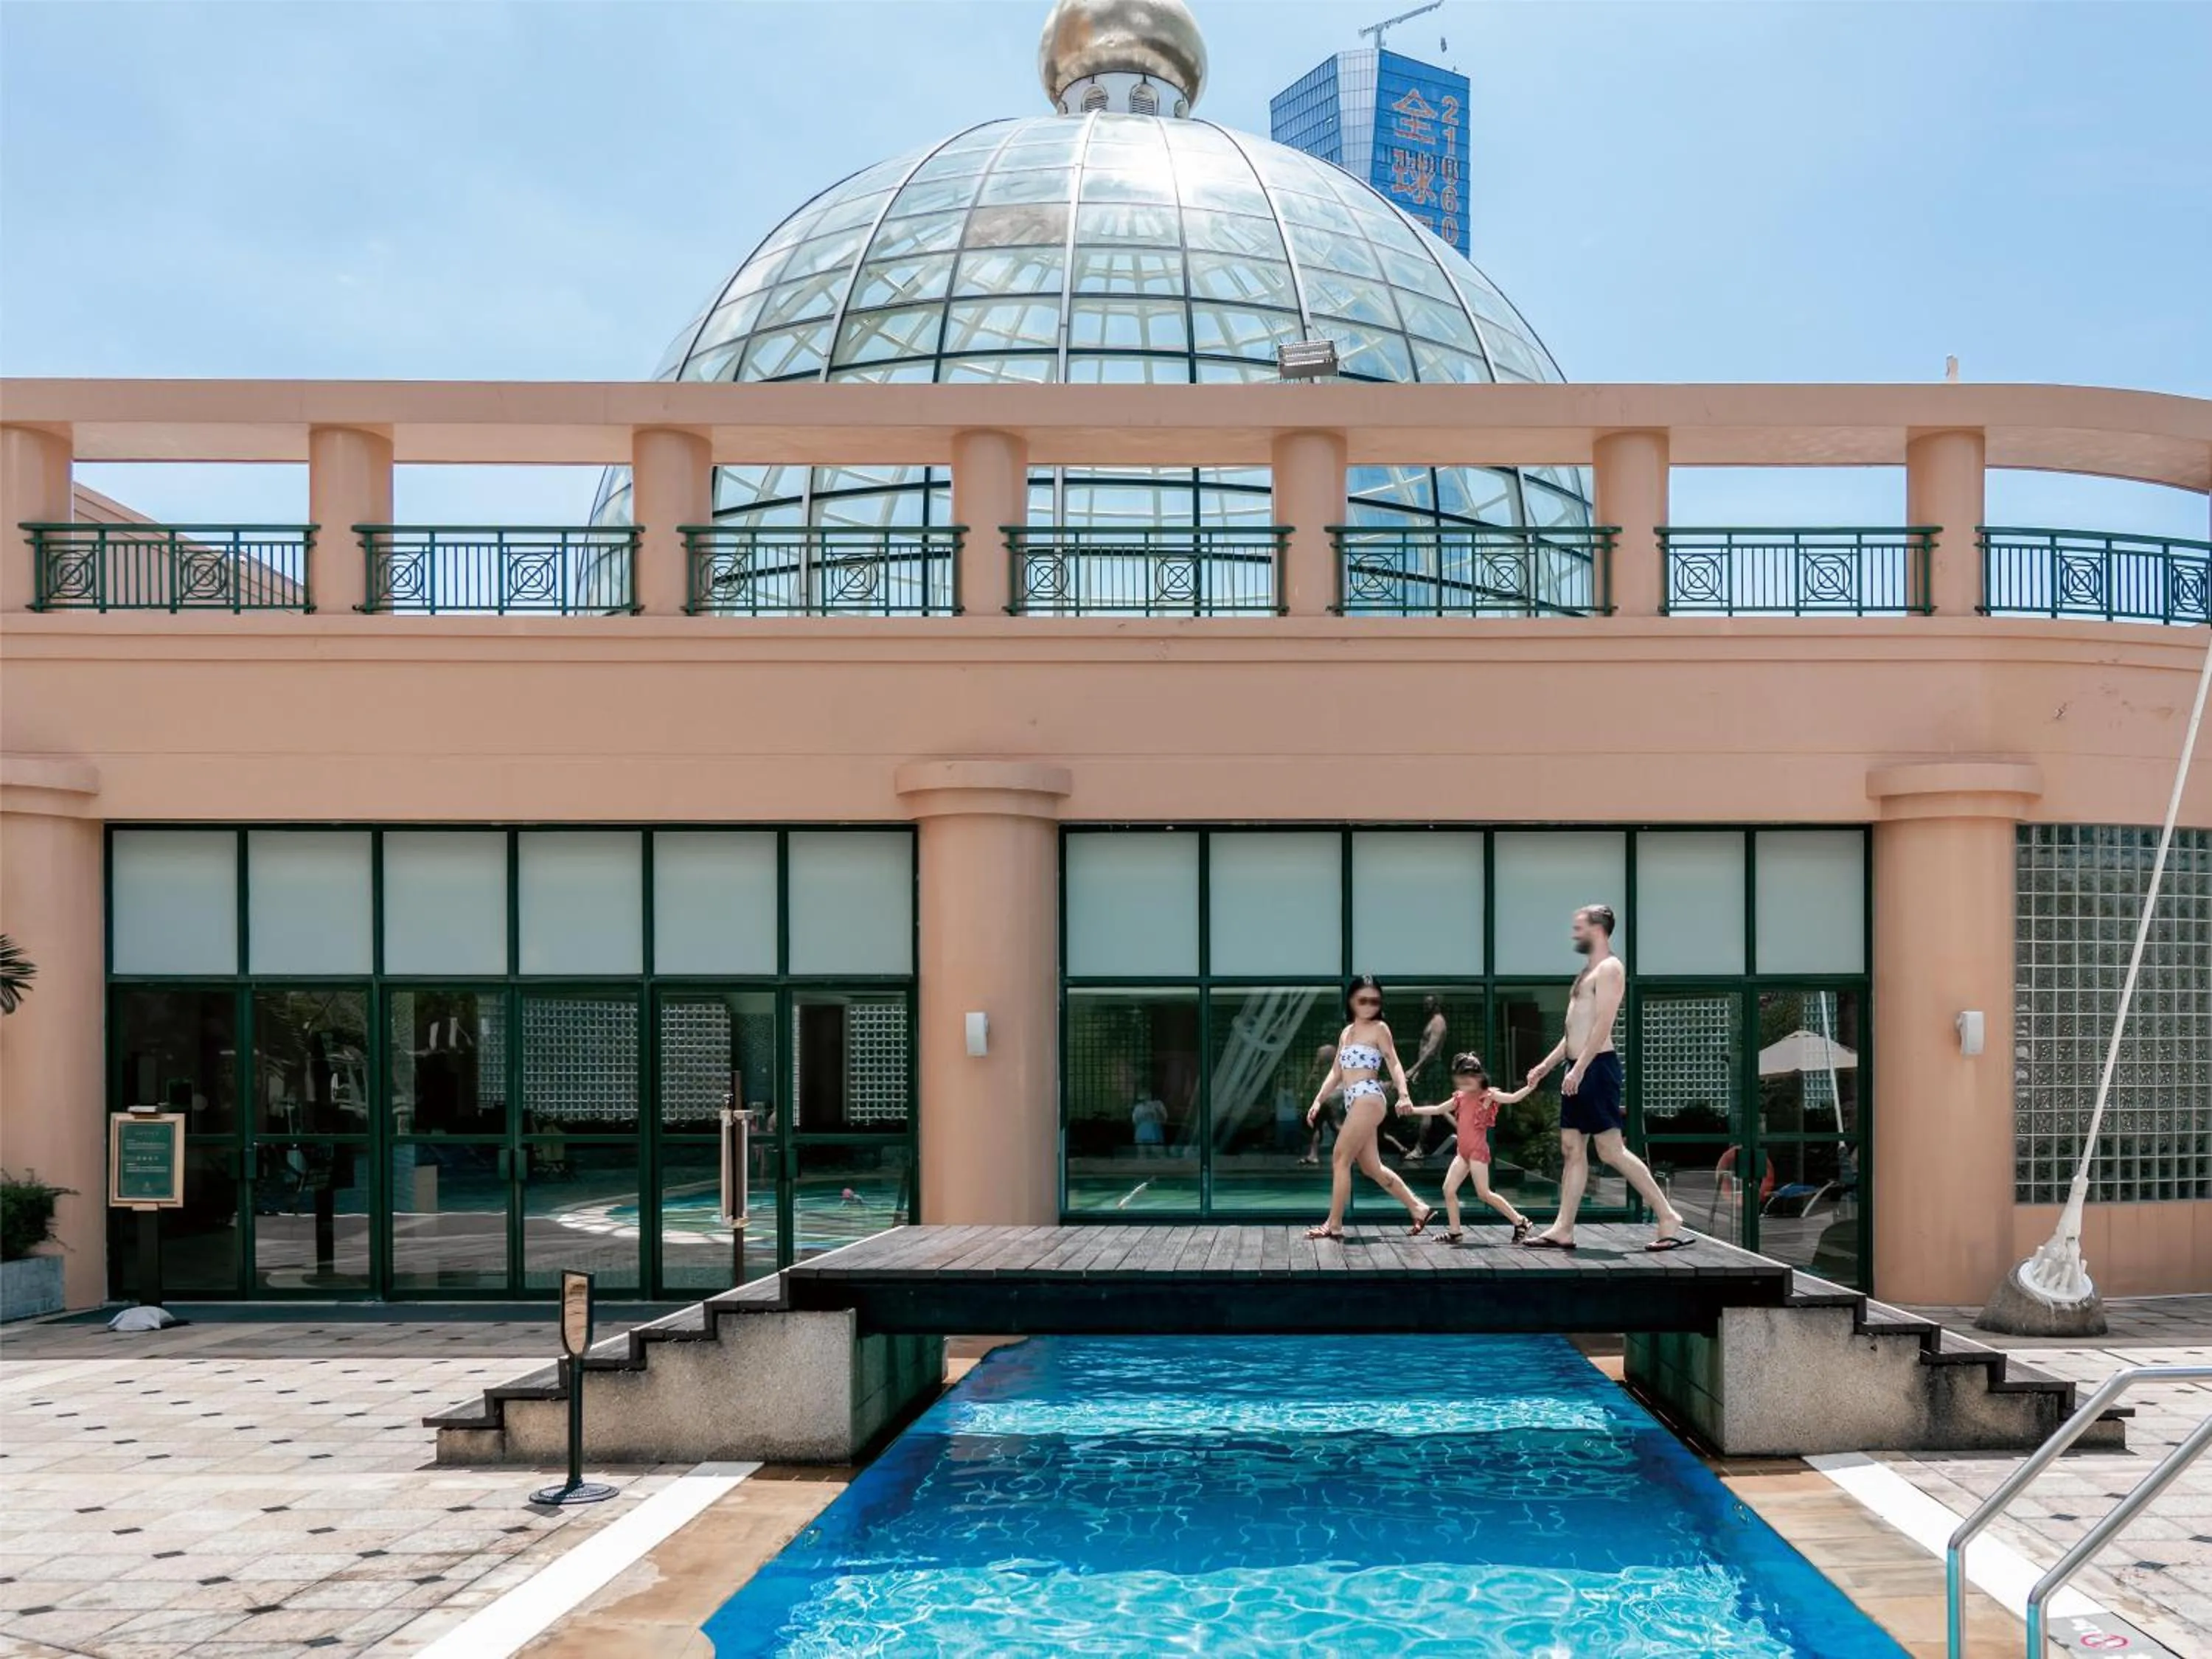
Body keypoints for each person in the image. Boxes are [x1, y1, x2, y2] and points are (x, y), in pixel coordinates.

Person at [1522, 903, 1691, 1253]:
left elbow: (1603, 1024)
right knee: (1572, 1148)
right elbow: (1573, 1031)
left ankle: (1668, 1215)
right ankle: (1563, 1229)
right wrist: (1548, 1066)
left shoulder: (1611, 968)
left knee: (1610, 1150)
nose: (1574, 933)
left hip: (1596, 1067)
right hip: (1579, 1067)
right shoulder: (1587, 972)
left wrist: (1581, 1068)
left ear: (1598, 928)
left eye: (1579, 927)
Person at [1304, 976, 1436, 1239]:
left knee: (1340, 1158)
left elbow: (1394, 1063)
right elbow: (1336, 1072)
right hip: (1354, 1100)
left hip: (1369, 1097)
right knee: (1370, 1168)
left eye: (1374, 1001)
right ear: (1351, 1001)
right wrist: (1318, 1099)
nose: (1368, 1006)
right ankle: (1419, 1208)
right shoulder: (1346, 1033)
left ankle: (1334, 1224)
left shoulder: (1380, 1028)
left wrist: (1403, 1094)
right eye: (1362, 1000)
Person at [1398, 1052, 1535, 1244]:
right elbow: (1438, 1109)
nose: (1466, 1081)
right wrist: (1412, 1110)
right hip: (1463, 1153)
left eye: (1471, 1076)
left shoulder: (1488, 1096)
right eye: (1462, 1077)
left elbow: (1512, 1098)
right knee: (1448, 1189)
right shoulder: (1460, 1098)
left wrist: (1530, 1086)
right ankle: (1455, 1232)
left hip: (1477, 1152)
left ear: (1480, 1077)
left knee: (1484, 1193)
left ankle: (1520, 1221)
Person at [1393, 995, 1453, 1163]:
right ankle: (1468, 1135)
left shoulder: (1438, 1022)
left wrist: (1414, 1069)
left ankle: (1420, 1149)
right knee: (1438, 1108)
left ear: (1436, 1005)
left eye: (1427, 1004)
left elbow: (1431, 1051)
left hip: (1433, 1069)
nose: (1424, 1006)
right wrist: (1420, 1071)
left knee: (1428, 1109)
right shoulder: (1433, 1021)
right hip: (1428, 1070)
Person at [1299, 1040, 1339, 1166]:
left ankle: (1313, 1155)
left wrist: (1303, 1092)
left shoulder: (1320, 1065)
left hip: (1323, 1099)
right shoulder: (1337, 1066)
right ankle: (1313, 1155)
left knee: (1323, 1126)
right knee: (1331, 1126)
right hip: (1331, 1098)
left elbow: (1313, 1077)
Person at [1131, 1093, 1168, 1158]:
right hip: (1144, 1134)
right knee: (1143, 1156)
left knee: (1158, 1155)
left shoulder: (1158, 1105)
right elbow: (1135, 1120)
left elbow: (1164, 1118)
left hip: (1153, 1135)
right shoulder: (1138, 1108)